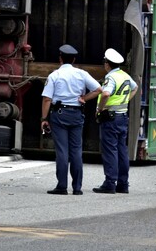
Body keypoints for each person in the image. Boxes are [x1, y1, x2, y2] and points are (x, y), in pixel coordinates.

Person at [41, 44, 102, 196]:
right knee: (76, 151)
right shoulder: (82, 74)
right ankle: (77, 188)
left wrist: (44, 118)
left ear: (60, 59)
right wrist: (84, 98)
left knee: (62, 151)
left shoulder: (54, 75)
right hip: (77, 114)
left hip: (59, 114)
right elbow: (98, 89)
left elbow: (47, 99)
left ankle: (62, 186)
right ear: (74, 59)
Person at [93, 48, 139, 194]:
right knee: (121, 151)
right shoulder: (124, 75)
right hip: (122, 117)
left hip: (110, 118)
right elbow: (135, 87)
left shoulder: (111, 78)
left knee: (110, 150)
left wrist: (100, 108)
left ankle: (110, 183)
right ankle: (123, 184)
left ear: (107, 64)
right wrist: (125, 101)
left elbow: (106, 93)